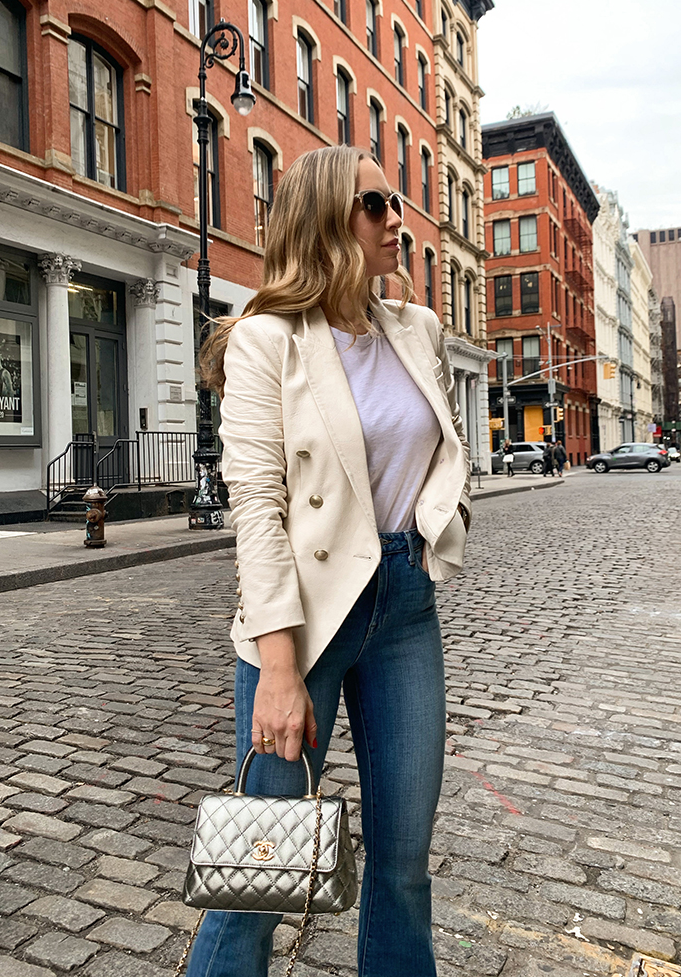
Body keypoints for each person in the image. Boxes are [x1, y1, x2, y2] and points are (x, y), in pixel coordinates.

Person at [186, 146, 471, 977]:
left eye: (395, 203)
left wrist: (437, 522)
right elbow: (258, 507)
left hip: (404, 606)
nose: (398, 220)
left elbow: (442, 450)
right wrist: (277, 664)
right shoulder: (265, 340)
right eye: (375, 204)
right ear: (325, 222)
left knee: (402, 867)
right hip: (305, 619)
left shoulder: (415, 330)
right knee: (260, 875)